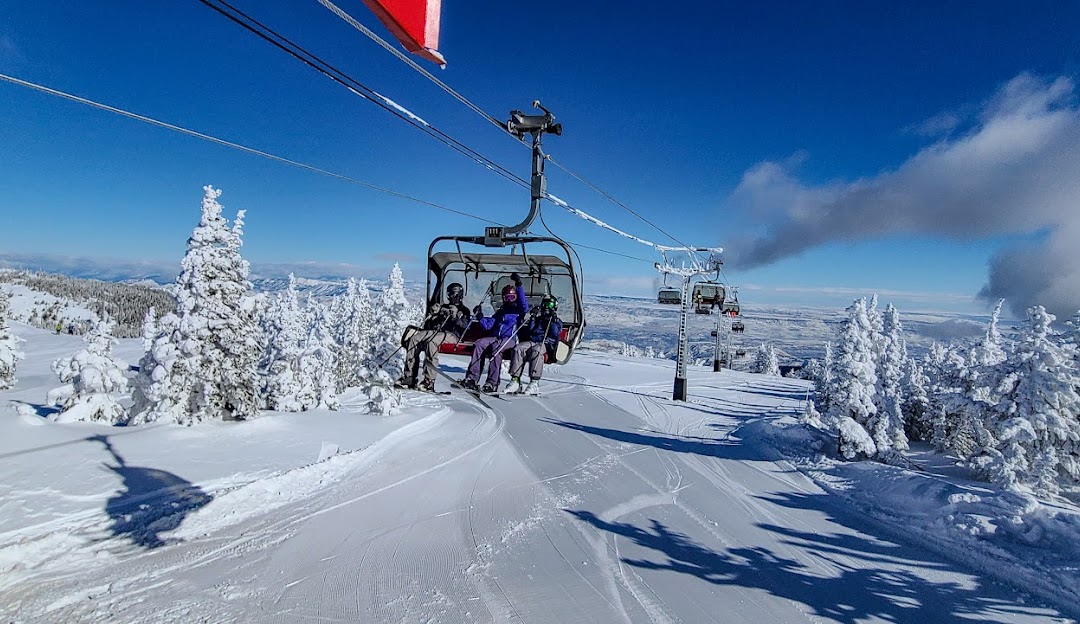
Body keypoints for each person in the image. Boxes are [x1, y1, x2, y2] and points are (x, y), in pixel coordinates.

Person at [397, 283, 471, 391]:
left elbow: (465, 327)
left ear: (460, 295)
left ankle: (429, 380)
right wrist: (433, 314)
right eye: (450, 295)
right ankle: (410, 376)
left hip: (453, 336)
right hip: (436, 332)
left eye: (455, 295)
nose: (453, 298)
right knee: (414, 339)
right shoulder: (444, 307)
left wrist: (455, 317)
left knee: (432, 341)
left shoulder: (464, 311)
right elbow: (431, 324)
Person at [463, 273, 528, 393]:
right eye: (506, 298)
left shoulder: (519, 311)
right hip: (495, 337)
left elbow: (524, 305)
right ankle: (471, 378)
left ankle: (492, 382)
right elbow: (487, 325)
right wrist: (480, 315)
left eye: (511, 297)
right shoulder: (501, 312)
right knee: (479, 344)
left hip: (509, 339)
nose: (509, 300)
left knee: (496, 348)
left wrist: (519, 285)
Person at [505, 295, 563, 396]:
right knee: (518, 348)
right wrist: (533, 318)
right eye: (545, 304)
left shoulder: (557, 321)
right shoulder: (539, 319)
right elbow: (531, 330)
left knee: (536, 350)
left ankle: (534, 382)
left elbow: (554, 333)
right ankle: (515, 380)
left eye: (549, 304)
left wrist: (552, 319)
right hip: (533, 341)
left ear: (554, 306)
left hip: (546, 343)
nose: (546, 307)